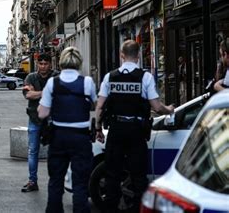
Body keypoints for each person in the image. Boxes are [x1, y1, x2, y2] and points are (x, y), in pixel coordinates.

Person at [95, 40, 174, 212]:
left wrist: (98, 129)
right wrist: (169, 109)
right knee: (138, 177)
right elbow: (156, 107)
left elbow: (100, 106)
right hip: (136, 132)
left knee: (112, 175)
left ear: (121, 55)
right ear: (138, 56)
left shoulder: (110, 77)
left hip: (116, 130)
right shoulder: (145, 77)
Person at [37, 47, 96, 213]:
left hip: (59, 137)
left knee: (55, 181)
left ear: (61, 62)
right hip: (81, 137)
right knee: (80, 183)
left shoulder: (52, 83)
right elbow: (96, 105)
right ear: (79, 62)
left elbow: (42, 113)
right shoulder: (87, 82)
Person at [21, 53, 55, 193]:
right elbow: (28, 95)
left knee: (55, 152)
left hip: (53, 119)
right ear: (37, 64)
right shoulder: (30, 77)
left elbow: (58, 93)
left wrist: (37, 93)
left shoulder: (56, 76)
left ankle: (55, 182)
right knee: (32, 150)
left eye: (45, 63)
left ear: (50, 64)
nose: (43, 66)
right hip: (34, 118)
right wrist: (47, 92)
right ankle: (32, 181)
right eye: (40, 63)